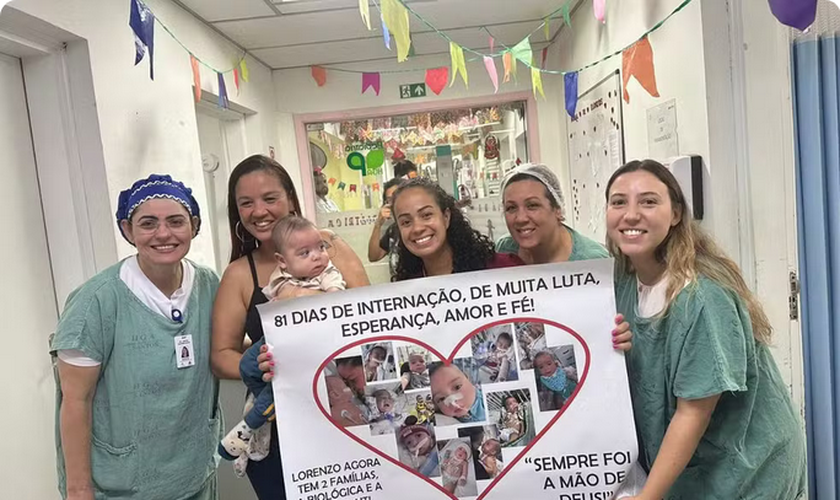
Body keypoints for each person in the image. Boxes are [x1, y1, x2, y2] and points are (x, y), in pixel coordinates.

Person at [605, 159, 806, 499]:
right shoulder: (623, 280)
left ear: (676, 214)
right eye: (619, 201)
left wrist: (647, 496)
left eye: (649, 201)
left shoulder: (702, 298)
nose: (631, 214)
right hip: (690, 466)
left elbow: (692, 413)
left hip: (746, 469)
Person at [51, 174, 220, 500]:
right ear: (127, 230)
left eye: (176, 221)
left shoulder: (208, 285)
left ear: (194, 225)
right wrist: (78, 490)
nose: (163, 234)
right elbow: (75, 401)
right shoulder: (97, 301)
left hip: (195, 476)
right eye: (148, 223)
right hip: (123, 487)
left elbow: (222, 346)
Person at [211, 155, 369, 499]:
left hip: (344, 416)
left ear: (292, 201)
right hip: (278, 430)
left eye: (270, 198)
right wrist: (253, 363)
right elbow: (220, 355)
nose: (259, 211)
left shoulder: (332, 248)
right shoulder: (239, 273)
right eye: (246, 203)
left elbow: (372, 321)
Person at [218, 215, 345, 461]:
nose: (317, 256)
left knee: (278, 384)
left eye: (321, 247)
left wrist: (300, 296)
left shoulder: (328, 274)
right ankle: (266, 408)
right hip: (274, 339)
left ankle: (249, 426)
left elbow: (335, 301)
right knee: (247, 364)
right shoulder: (280, 276)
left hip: (304, 347)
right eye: (305, 253)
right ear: (283, 262)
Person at [367, 177, 402, 276]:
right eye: (389, 200)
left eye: (397, 197)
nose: (394, 203)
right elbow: (374, 256)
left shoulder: (417, 226)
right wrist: (378, 223)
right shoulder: (393, 230)